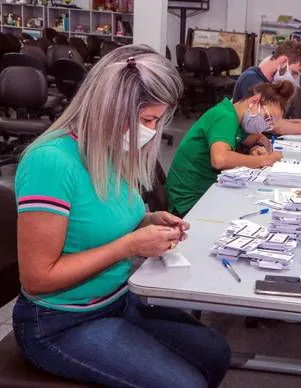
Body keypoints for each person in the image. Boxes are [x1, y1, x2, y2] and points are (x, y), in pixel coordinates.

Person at [13, 45, 231, 388]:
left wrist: (146, 223)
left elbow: (102, 221)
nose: (151, 130)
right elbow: (38, 279)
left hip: (116, 299)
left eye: (157, 121)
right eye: (146, 120)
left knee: (215, 352)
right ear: (111, 109)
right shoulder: (51, 162)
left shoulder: (112, 150)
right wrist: (129, 245)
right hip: (60, 321)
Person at [166, 81, 294, 217]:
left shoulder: (236, 118)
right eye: (266, 118)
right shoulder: (225, 117)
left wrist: (257, 148)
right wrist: (265, 160)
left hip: (204, 192)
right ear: (254, 101)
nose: (264, 126)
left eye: (269, 125)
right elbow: (219, 160)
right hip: (188, 202)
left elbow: (256, 138)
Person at [233, 41, 301, 135]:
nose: (294, 78)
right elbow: (275, 126)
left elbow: (278, 120)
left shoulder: (269, 82)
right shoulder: (252, 80)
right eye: (294, 72)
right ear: (283, 61)